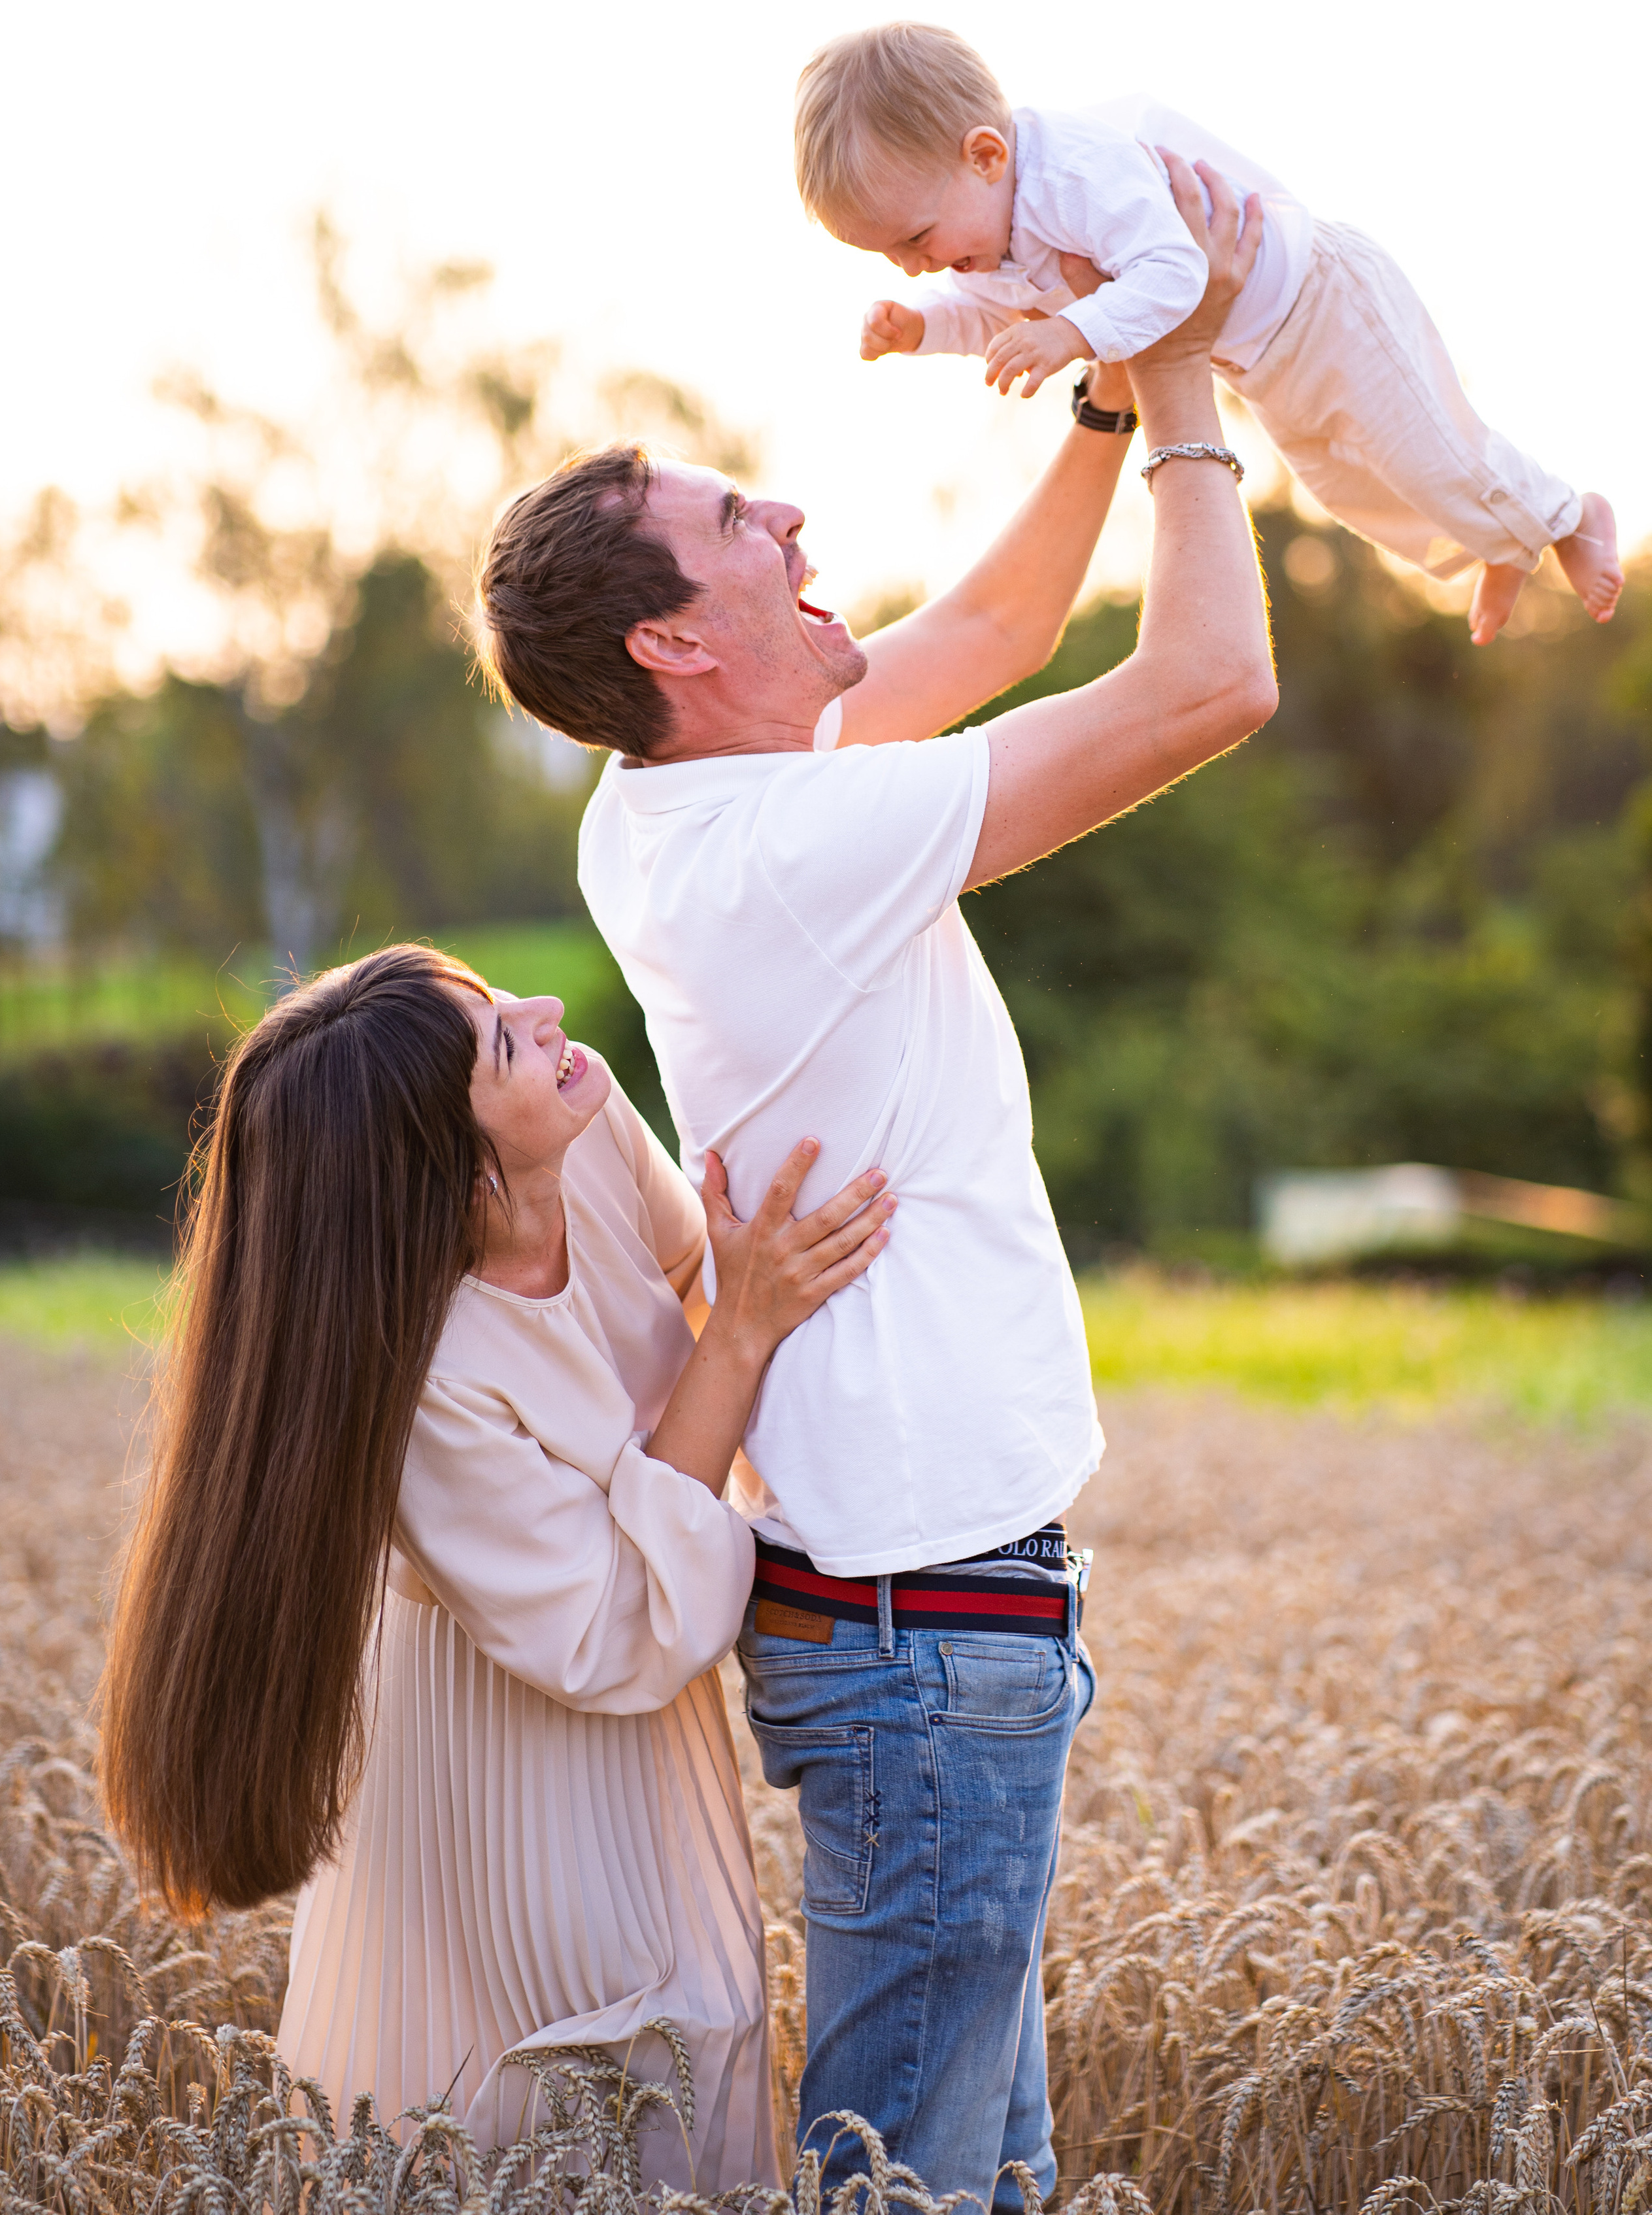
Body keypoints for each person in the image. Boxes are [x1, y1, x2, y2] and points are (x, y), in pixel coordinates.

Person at [474, 158, 1276, 2209]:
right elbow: (1206, 689)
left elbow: (1006, 623)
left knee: (957, 2178)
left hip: (923, 1619)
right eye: (741, 521)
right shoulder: (774, 852)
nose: (795, 516)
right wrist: (1187, 383)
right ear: (674, 634)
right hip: (926, 1633)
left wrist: (1095, 393)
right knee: (915, 2186)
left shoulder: (685, 805)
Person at [98, 943, 894, 2187]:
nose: (551, 1013)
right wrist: (739, 1336)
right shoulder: (427, 1382)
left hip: (635, 1725)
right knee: (530, 2105)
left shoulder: (583, 1121)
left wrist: (736, 1313)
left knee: (685, 2060)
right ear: (455, 1171)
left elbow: (695, 1273)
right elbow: (616, 1629)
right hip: (520, 1758)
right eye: (504, 1044)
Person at [794, 20, 1620, 651]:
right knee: (1348, 487)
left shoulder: (1078, 174)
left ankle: (1572, 518)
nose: (911, 267)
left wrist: (1074, 333)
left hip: (1326, 305)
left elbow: (1175, 273)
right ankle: (1499, 539)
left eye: (913, 240)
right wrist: (924, 328)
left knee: (1429, 448)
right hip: (1259, 359)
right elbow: (992, 314)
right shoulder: (987, 226)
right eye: (889, 258)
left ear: (983, 155)